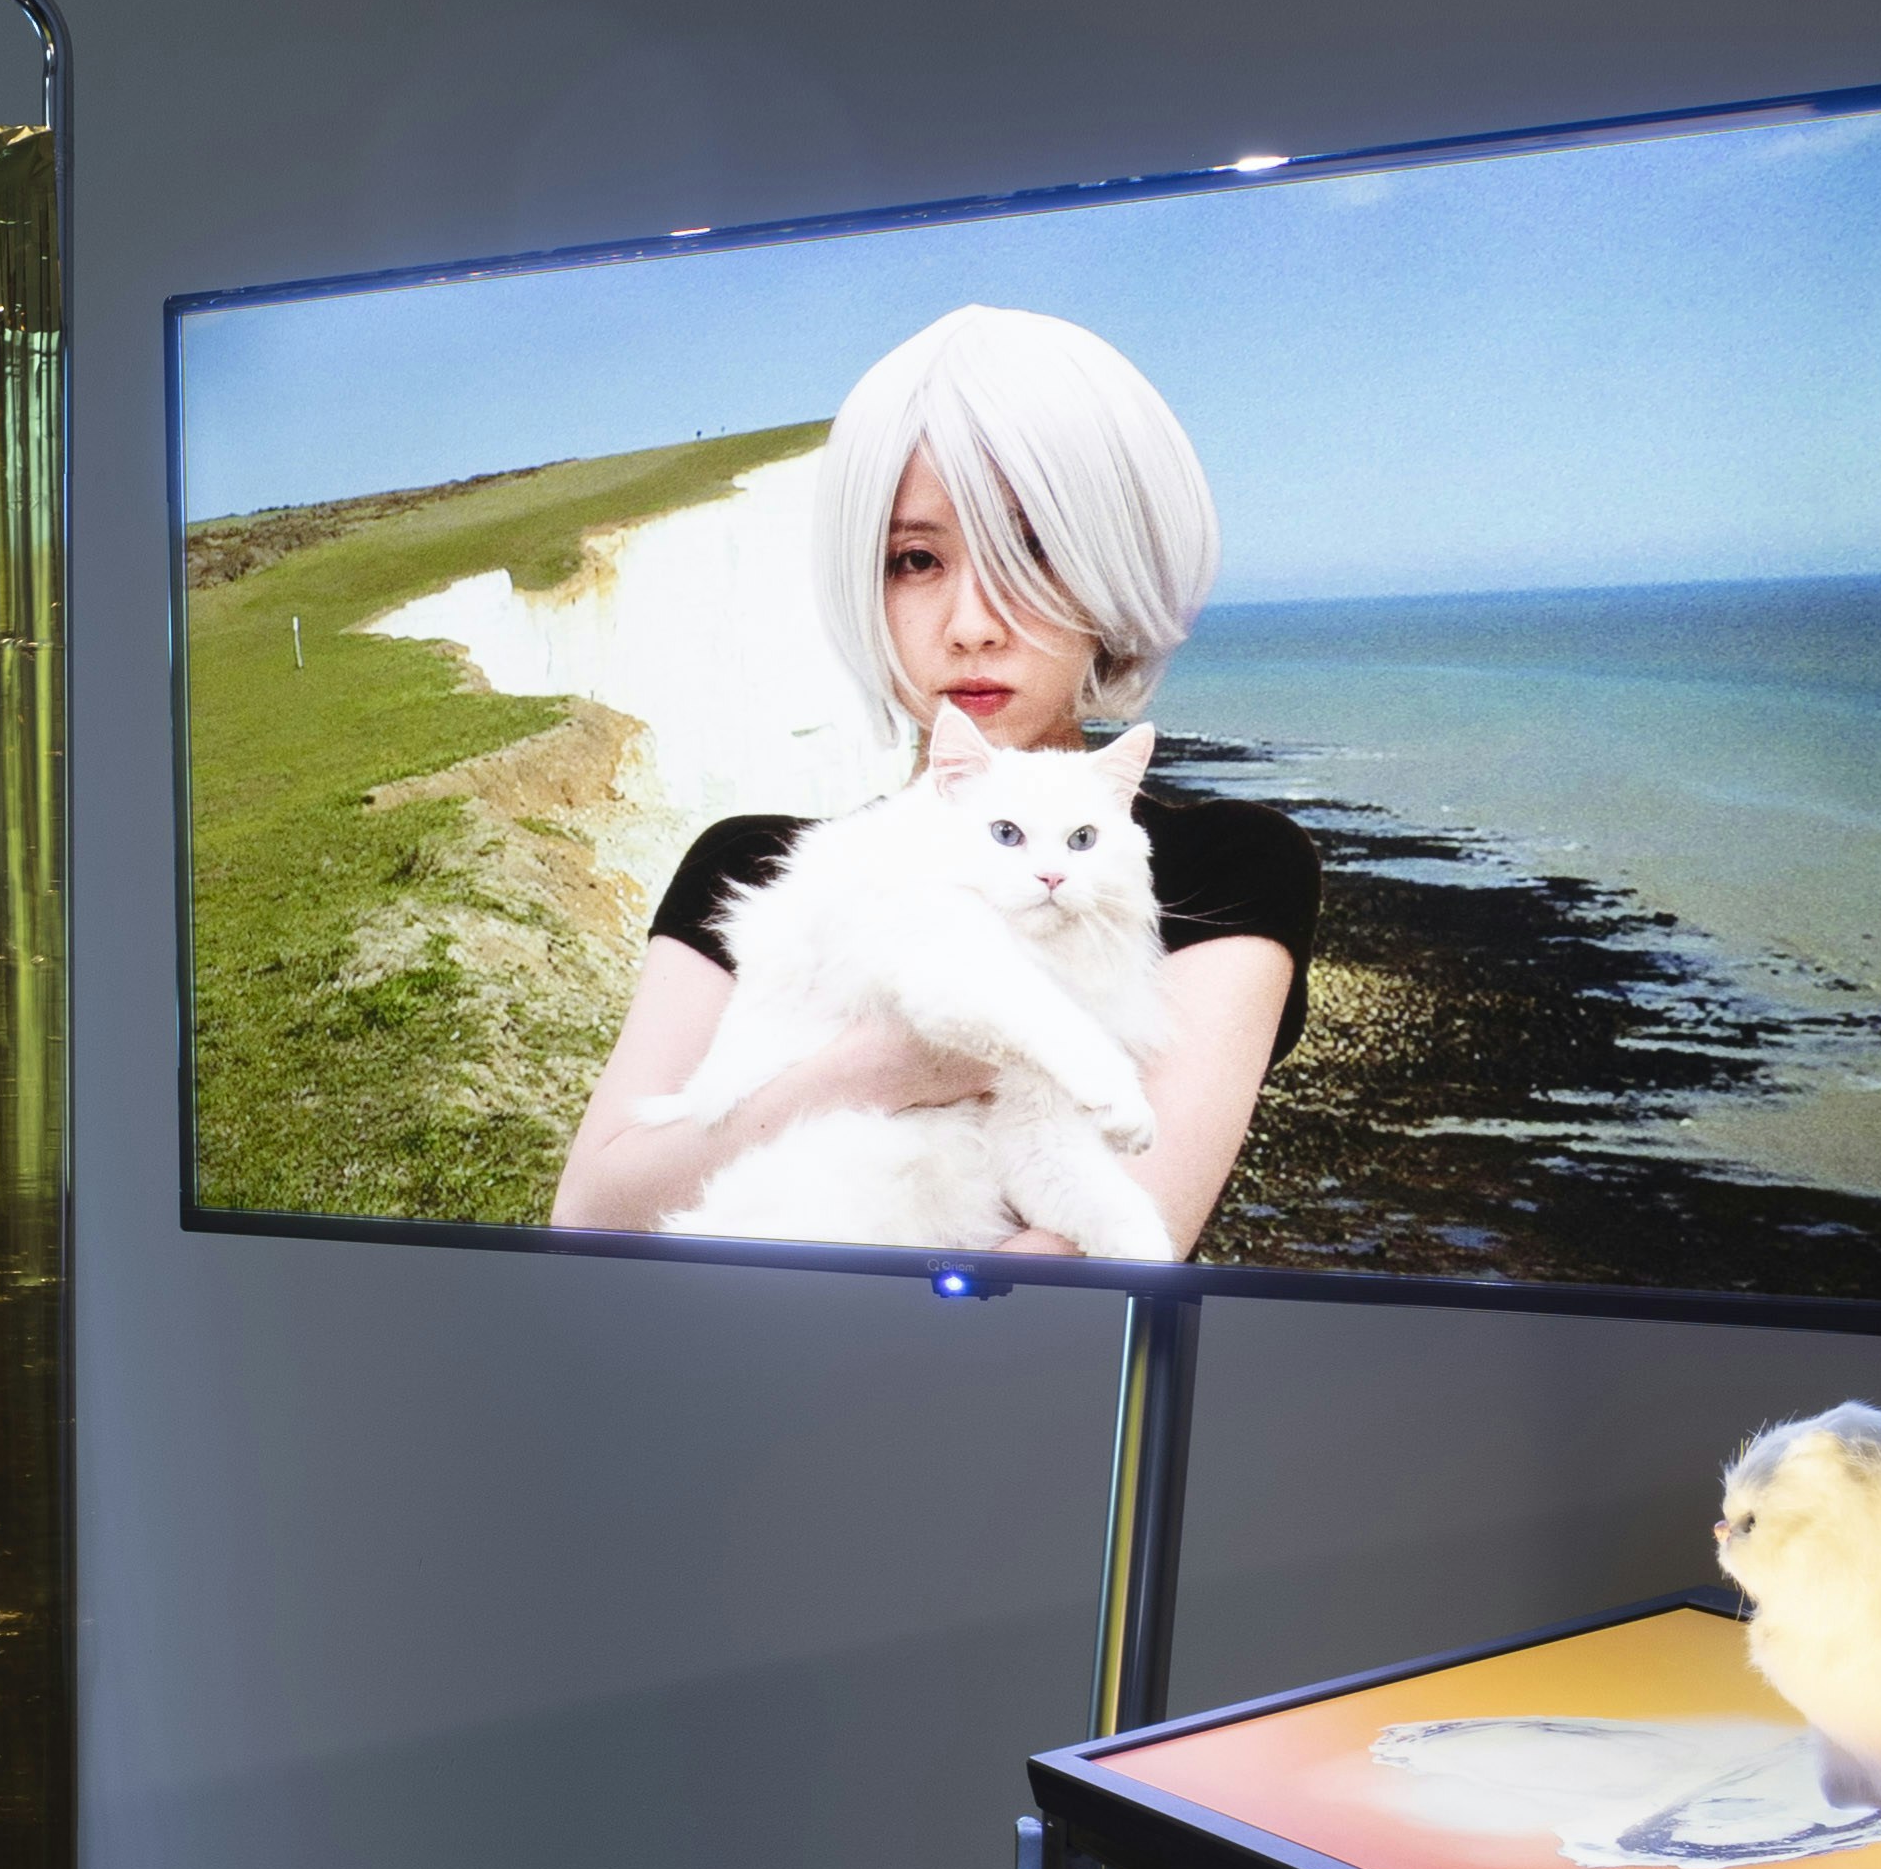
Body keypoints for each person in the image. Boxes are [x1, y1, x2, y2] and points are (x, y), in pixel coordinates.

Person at [544, 303, 1310, 1255]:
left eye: (1030, 551)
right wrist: (886, 1064)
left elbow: (1091, 1255)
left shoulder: (1224, 867)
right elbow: (592, 1208)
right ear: (864, 582)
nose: (970, 624)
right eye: (915, 560)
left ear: (1113, 563)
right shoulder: (751, 867)